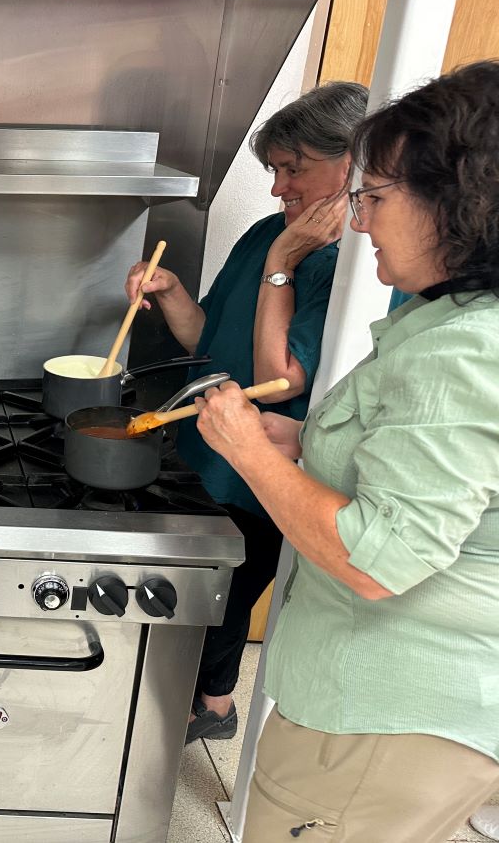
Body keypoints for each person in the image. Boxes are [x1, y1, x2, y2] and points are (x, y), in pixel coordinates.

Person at [194, 60, 499, 841]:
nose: (359, 221)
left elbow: (377, 561)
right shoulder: (450, 323)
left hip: (385, 715)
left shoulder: (462, 350)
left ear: (457, 202)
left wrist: (252, 455)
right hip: (408, 713)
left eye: (377, 197)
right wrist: (301, 440)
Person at [123, 81, 368, 743]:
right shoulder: (266, 234)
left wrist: (282, 268)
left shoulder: (344, 266)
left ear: (353, 162)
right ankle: (193, 700)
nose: (278, 188)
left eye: (294, 169)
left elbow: (278, 383)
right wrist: (171, 292)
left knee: (226, 603)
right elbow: (210, 338)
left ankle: (212, 709)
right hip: (207, 448)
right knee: (201, 601)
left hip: (260, 470)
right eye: (275, 170)